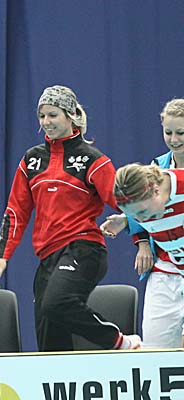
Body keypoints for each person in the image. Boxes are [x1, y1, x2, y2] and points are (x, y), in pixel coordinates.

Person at [0, 85, 142, 351]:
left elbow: (127, 202)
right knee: (50, 343)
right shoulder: (31, 160)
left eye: (53, 115)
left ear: (71, 116)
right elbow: (16, 209)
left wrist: (137, 235)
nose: (46, 122)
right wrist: (2, 254)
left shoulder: (93, 160)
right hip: (47, 257)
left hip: (84, 249)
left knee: (56, 303)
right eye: (42, 116)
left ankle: (121, 342)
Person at [103, 99, 184, 348]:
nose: (174, 139)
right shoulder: (156, 169)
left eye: (180, 133)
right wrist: (128, 224)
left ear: (158, 191)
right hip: (166, 268)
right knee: (155, 350)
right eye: (168, 132)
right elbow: (142, 208)